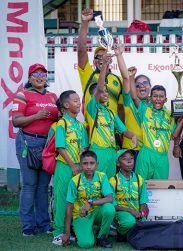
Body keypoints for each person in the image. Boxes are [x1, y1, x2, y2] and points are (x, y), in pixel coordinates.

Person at [12, 63, 58, 236]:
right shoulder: (23, 95)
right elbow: (16, 121)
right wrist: (37, 116)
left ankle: (44, 224)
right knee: (30, 185)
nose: (40, 77)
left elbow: (59, 117)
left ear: (47, 77)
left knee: (43, 186)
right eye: (35, 74)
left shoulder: (53, 97)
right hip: (28, 143)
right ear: (30, 78)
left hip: (48, 145)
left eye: (43, 74)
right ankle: (28, 226)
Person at [85, 53, 137, 178]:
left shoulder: (112, 113)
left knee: (110, 184)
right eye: (103, 92)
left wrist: (133, 136)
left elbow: (123, 131)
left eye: (107, 92)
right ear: (95, 96)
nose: (106, 94)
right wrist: (104, 67)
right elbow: (99, 87)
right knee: (98, 184)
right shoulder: (93, 109)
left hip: (112, 152)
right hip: (98, 151)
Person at [129, 68, 183, 180]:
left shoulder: (170, 115)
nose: (158, 99)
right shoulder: (144, 110)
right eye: (155, 96)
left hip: (162, 157)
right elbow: (134, 97)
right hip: (146, 155)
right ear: (150, 98)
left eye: (161, 96)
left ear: (165, 99)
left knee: (161, 190)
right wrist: (131, 77)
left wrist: (182, 118)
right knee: (140, 186)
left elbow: (174, 135)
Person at [52, 90, 89, 245]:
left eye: (79, 100)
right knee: (61, 200)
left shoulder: (80, 125)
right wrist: (73, 165)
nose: (78, 102)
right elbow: (60, 147)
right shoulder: (62, 123)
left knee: (76, 199)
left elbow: (84, 147)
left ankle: (71, 229)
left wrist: (80, 165)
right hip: (65, 167)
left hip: (78, 168)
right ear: (66, 105)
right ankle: (58, 232)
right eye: (75, 100)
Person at [77, 8, 124, 124]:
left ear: (111, 59)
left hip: (112, 130)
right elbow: (82, 50)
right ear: (93, 61)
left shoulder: (118, 80)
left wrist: (121, 133)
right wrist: (85, 23)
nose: (102, 59)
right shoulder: (87, 74)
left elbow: (120, 108)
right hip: (92, 129)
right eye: (98, 57)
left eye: (105, 56)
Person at [61, 151, 115, 248]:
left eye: (92, 163)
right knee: (86, 244)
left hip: (97, 212)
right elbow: (69, 207)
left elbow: (110, 198)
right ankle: (80, 231)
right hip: (81, 215)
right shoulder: (75, 181)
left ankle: (101, 236)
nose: (89, 167)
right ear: (80, 165)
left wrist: (91, 203)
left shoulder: (102, 176)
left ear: (97, 165)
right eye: (85, 163)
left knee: (109, 208)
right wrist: (67, 233)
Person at [109, 149, 149, 242]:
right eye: (124, 159)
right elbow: (113, 206)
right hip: (121, 213)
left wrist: (141, 214)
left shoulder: (139, 179)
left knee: (144, 226)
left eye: (131, 158)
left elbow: (143, 201)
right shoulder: (113, 180)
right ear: (118, 163)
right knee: (130, 222)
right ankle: (120, 231)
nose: (129, 161)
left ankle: (128, 234)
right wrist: (131, 211)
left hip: (136, 213)